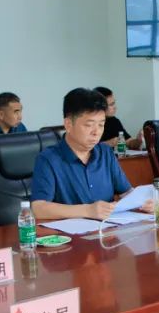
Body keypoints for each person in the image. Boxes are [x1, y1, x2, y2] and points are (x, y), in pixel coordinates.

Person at [31, 89, 151, 222]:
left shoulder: (105, 152)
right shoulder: (48, 159)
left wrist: (143, 202)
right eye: (89, 125)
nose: (96, 132)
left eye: (101, 125)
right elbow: (38, 208)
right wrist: (88, 210)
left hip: (107, 230)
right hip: (69, 233)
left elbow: (127, 193)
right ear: (68, 124)